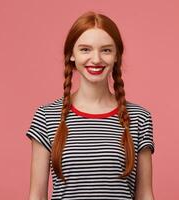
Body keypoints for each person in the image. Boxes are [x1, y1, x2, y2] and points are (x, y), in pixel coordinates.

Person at [26, 11, 155, 200]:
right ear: (71, 55)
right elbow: (36, 196)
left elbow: (145, 195)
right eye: (85, 49)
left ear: (117, 56)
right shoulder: (46, 116)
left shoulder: (139, 118)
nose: (96, 59)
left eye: (106, 50)